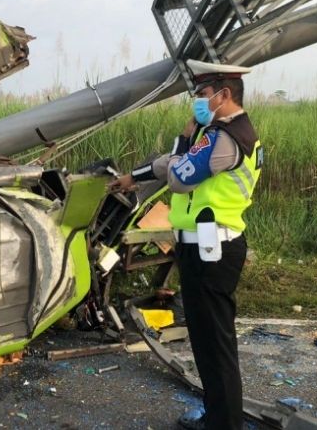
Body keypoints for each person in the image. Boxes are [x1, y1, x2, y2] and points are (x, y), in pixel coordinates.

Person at [111, 60, 263, 430]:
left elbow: (179, 177)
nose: (196, 101)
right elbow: (170, 164)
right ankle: (217, 418)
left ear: (224, 95)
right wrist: (133, 178)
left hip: (212, 251)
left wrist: (183, 137)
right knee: (207, 340)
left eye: (202, 94)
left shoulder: (225, 138)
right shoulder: (222, 134)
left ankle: (224, 425)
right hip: (202, 249)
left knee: (216, 344)